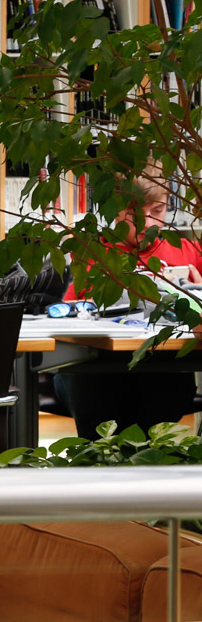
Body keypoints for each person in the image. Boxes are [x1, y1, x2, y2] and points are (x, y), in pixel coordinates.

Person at [53, 173, 198, 437]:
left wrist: (198, 294)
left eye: (158, 210)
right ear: (116, 212)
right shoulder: (94, 254)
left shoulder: (187, 252)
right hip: (95, 374)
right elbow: (67, 317)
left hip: (164, 371)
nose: (148, 223)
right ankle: (104, 460)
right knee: (94, 392)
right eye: (134, 214)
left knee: (162, 396)